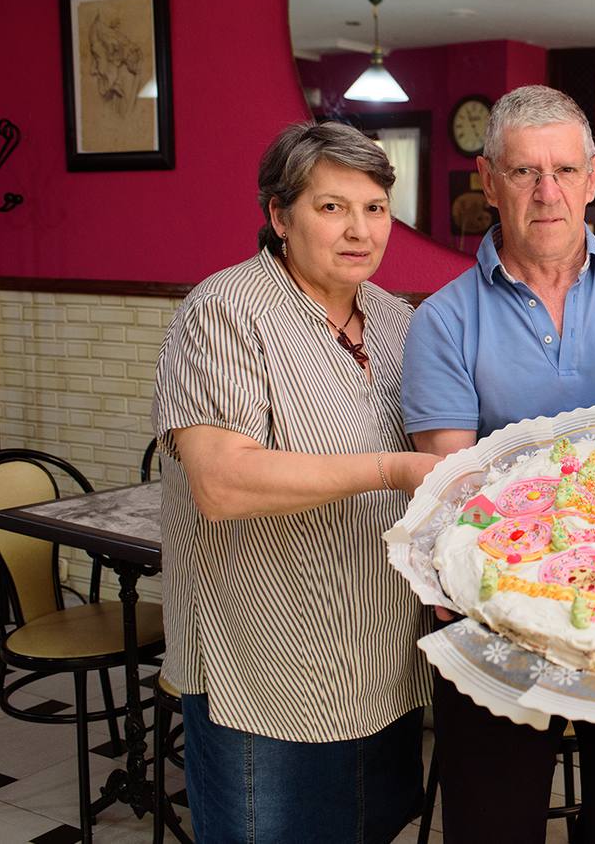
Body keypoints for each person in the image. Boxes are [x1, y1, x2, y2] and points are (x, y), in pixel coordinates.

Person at [401, 85, 595, 844]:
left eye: (564, 170)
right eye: (525, 171)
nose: (547, 192)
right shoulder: (442, 320)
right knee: (492, 825)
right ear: (487, 179)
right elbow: (454, 490)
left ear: (593, 178)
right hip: (493, 606)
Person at [151, 120, 439, 843]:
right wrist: (393, 470)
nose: (360, 230)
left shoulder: (394, 318)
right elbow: (222, 483)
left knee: (374, 830)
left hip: (379, 651)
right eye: (331, 207)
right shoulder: (223, 312)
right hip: (270, 661)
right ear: (279, 216)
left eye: (374, 208)